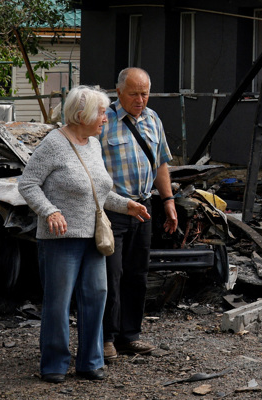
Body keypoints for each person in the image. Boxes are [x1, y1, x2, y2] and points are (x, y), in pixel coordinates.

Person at [18, 85, 151, 384]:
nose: (106, 118)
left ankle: (90, 362)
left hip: (94, 238)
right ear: (82, 115)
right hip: (60, 240)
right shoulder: (53, 144)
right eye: (102, 112)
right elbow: (27, 185)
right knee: (59, 302)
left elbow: (99, 193)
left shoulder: (93, 145)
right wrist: (50, 211)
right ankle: (53, 364)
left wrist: (126, 205)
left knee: (96, 297)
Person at [101, 67, 178, 360]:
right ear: (118, 91)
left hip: (143, 208)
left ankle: (129, 336)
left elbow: (160, 164)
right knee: (110, 275)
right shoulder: (103, 120)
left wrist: (168, 201)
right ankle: (106, 338)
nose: (140, 99)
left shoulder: (153, 119)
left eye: (144, 93)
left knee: (137, 275)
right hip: (113, 209)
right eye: (134, 93)